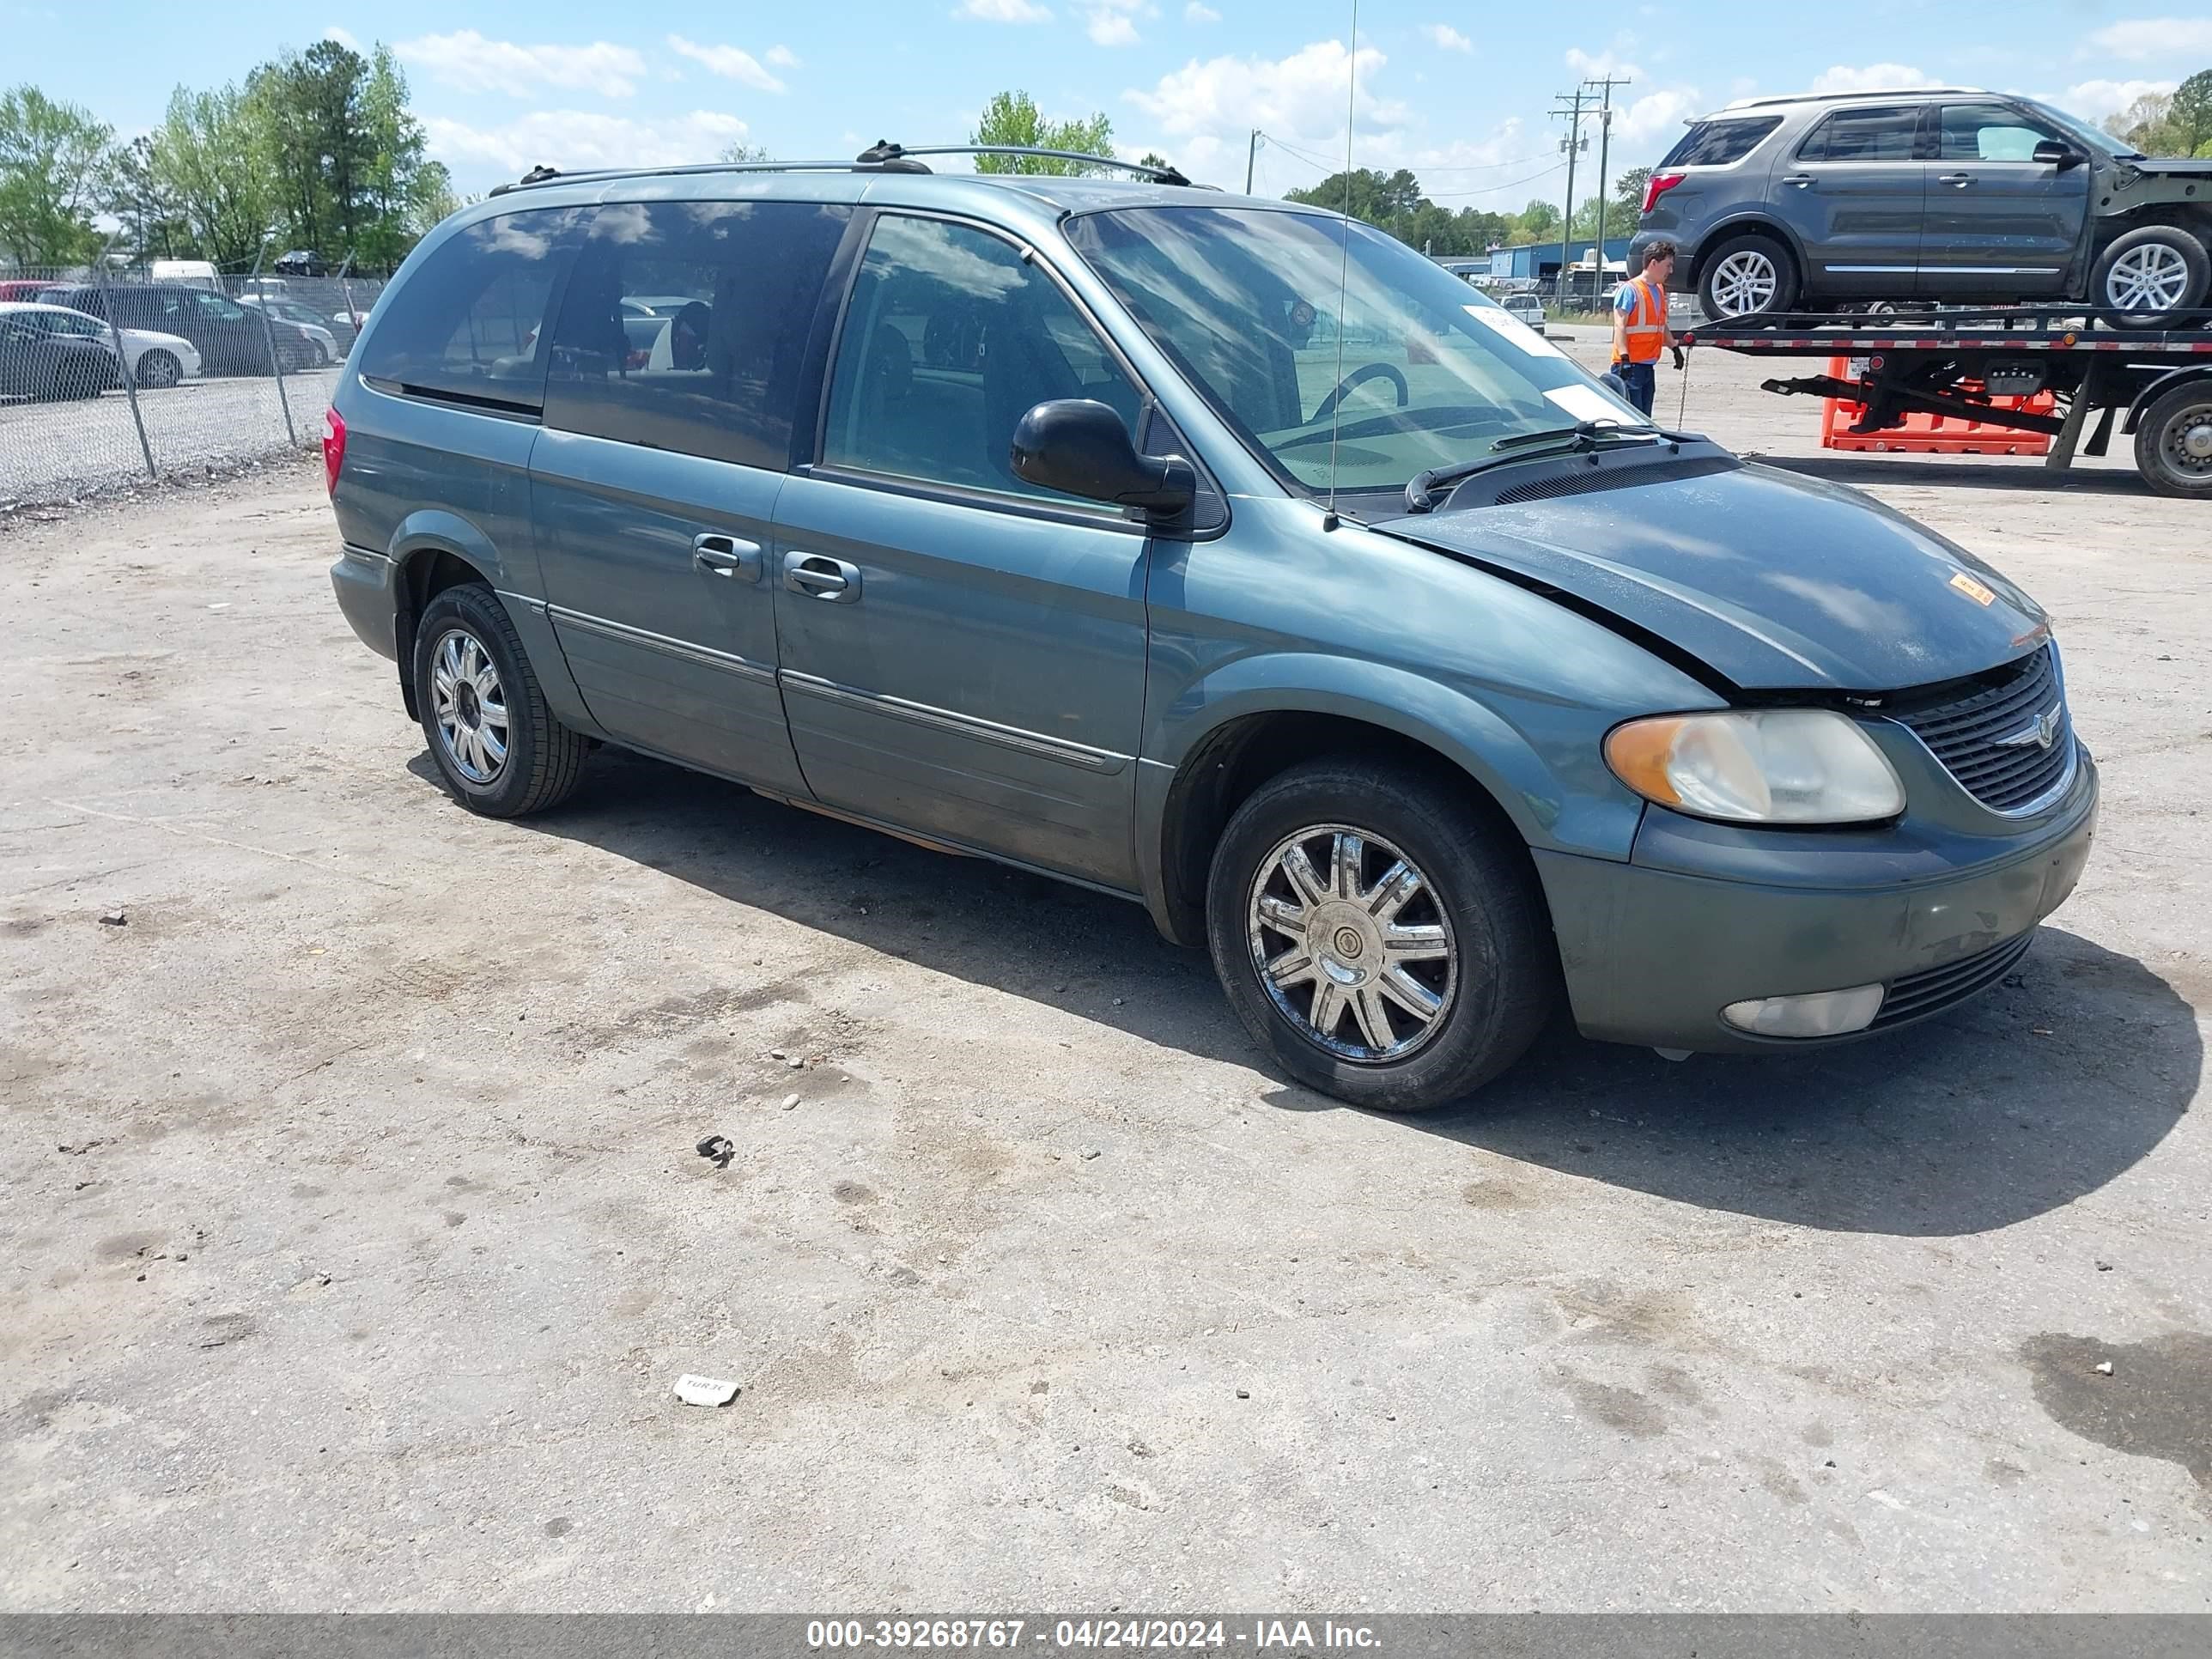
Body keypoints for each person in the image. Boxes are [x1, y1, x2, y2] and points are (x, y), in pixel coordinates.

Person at [1611, 240, 1685, 418]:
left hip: (1646, 367)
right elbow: (1620, 325)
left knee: (1644, 420)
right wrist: (1624, 358)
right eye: (1668, 265)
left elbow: (1660, 325)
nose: (1670, 271)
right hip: (1629, 368)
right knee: (1631, 421)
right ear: (1654, 263)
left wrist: (1674, 348)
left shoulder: (1659, 290)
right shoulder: (1630, 290)